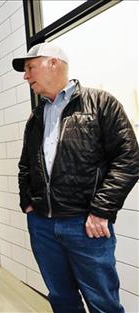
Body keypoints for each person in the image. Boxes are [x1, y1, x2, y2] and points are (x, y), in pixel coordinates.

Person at [12, 41, 139, 313]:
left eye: (30, 68)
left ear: (53, 63)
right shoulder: (37, 116)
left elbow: (128, 158)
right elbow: (26, 166)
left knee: (102, 303)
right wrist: (29, 204)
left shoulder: (101, 103)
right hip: (43, 226)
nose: (26, 76)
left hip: (86, 224)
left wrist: (101, 210)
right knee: (61, 299)